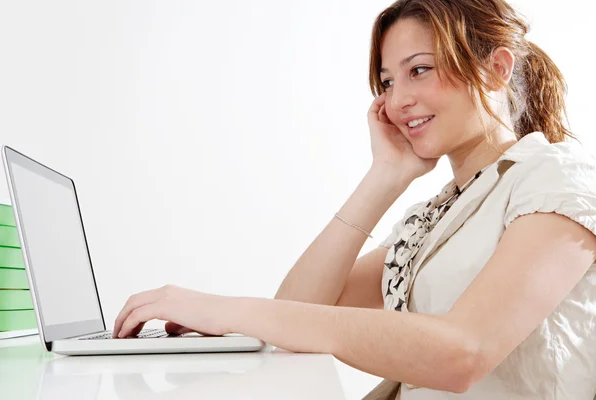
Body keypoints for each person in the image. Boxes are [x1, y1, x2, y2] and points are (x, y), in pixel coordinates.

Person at [112, 0, 596, 398]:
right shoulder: (434, 214)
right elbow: (301, 310)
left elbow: (462, 353)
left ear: (495, 70)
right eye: (387, 82)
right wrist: (384, 178)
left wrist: (223, 309)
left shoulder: (554, 179)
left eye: (419, 70)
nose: (397, 100)